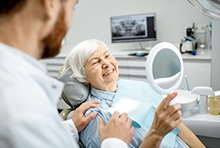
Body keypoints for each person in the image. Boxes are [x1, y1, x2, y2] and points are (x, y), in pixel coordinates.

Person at [0, 0, 134, 148]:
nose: (105, 63)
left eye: (107, 56)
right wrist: (114, 143)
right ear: (50, 3)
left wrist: (72, 126)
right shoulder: (18, 101)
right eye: (73, 7)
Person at [62, 39, 206, 148]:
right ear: (83, 77)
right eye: (95, 62)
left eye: (107, 56)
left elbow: (178, 126)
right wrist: (156, 132)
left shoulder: (138, 86)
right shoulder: (94, 116)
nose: (106, 63)